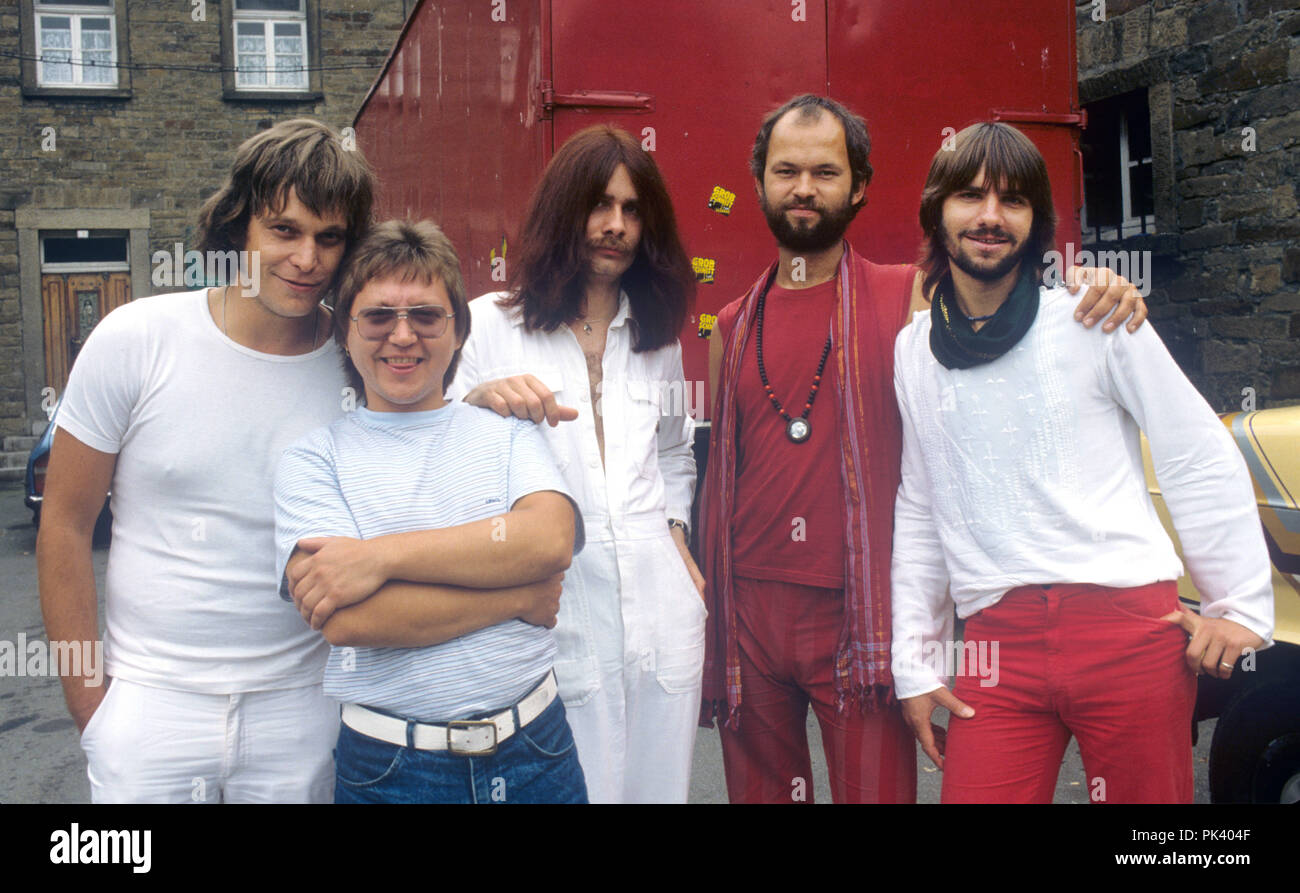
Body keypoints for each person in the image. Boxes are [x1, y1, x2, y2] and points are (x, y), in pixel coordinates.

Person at [699, 94, 1147, 804]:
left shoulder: (913, 295)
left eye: (826, 171)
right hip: (748, 609)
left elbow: (1015, 307)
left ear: (861, 186)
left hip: (860, 607)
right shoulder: (729, 324)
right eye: (786, 171)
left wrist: (1100, 287)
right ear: (758, 184)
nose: (805, 188)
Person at [890, 121, 1272, 803]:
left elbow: (1196, 450)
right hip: (996, 643)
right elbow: (920, 503)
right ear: (935, 210)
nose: (989, 217)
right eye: (969, 195)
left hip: (1128, 628)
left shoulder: (1090, 316)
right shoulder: (914, 350)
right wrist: (915, 661)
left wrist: (1237, 603)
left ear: (1035, 222)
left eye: (1013, 201)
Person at [37, 118, 374, 803]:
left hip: (301, 709)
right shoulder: (137, 338)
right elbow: (65, 525)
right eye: (285, 229)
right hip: (151, 703)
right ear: (238, 228)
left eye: (329, 236)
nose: (308, 257)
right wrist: (92, 708)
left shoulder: (362, 360)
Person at [274, 219, 587, 803]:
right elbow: (350, 621)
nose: (402, 336)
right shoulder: (313, 460)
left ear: (458, 330)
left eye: (424, 315)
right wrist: (516, 596)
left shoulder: (505, 431)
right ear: (345, 330)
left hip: (536, 754)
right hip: (390, 773)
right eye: (377, 316)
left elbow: (548, 541)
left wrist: (379, 558)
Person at [445, 125, 703, 803]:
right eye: (598, 205)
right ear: (563, 210)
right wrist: (474, 402)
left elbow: (675, 450)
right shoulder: (486, 328)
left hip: (659, 612)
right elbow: (431, 464)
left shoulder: (658, 342)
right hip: (547, 615)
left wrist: (677, 535)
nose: (615, 225)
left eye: (632, 209)